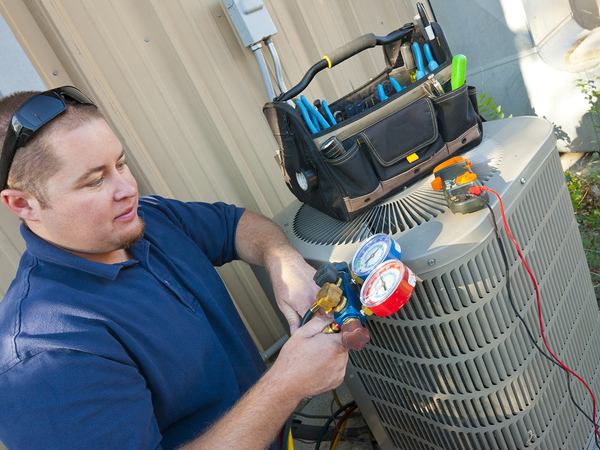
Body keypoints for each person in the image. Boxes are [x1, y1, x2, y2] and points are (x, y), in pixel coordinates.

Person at [0, 86, 349, 450]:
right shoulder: (43, 356)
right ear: (23, 204)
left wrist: (283, 262)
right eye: (95, 180)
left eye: (120, 163)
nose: (127, 189)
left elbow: (235, 225)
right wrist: (287, 384)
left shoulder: (147, 219)